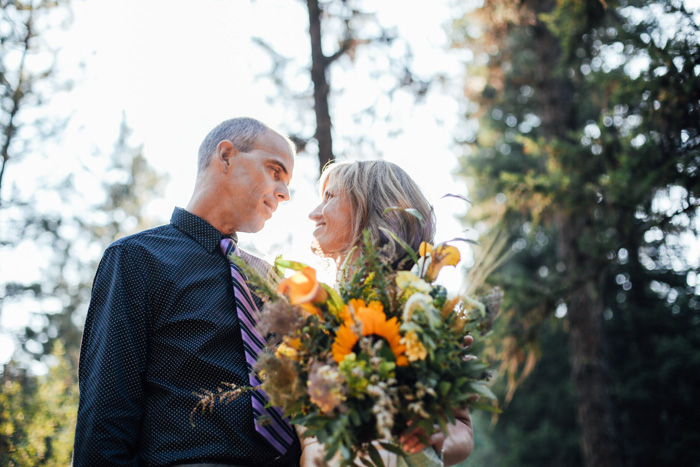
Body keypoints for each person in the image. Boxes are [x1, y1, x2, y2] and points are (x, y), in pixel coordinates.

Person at [73, 117, 303, 466]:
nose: (284, 193)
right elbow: (106, 413)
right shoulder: (137, 259)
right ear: (226, 156)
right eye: (275, 171)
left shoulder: (272, 281)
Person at [303, 160, 474, 467]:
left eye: (330, 197)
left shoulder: (424, 308)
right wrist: (311, 445)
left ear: (372, 209)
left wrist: (442, 435)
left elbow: (461, 429)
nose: (314, 213)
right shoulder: (320, 311)